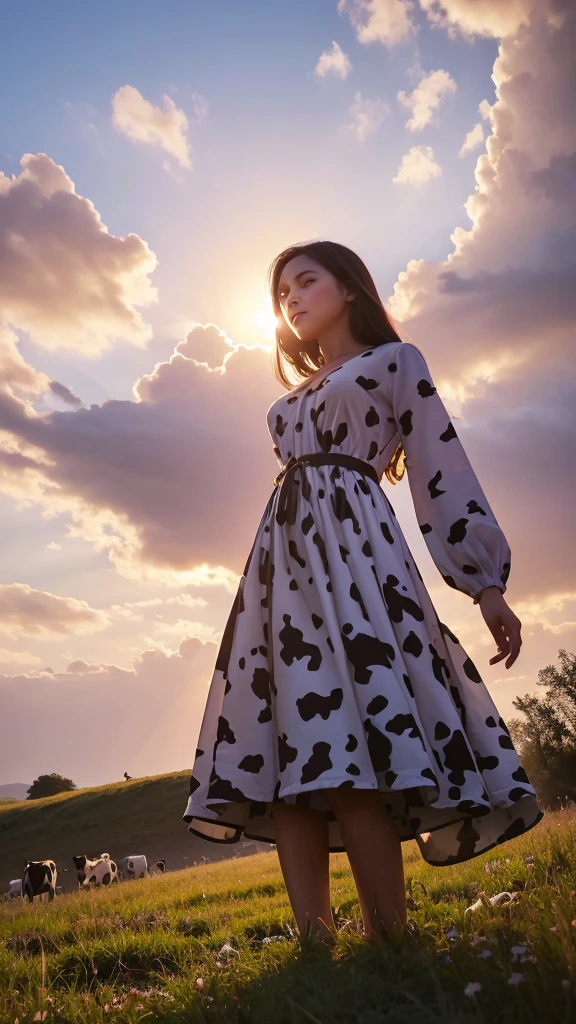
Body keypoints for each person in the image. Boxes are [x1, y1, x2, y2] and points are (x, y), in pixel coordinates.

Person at [183, 240, 543, 946]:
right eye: (280, 290)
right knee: (289, 759)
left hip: (360, 565)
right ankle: (314, 946)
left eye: (306, 280)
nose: (290, 297)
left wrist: (485, 585)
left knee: (358, 751)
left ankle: (391, 942)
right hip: (281, 574)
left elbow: (443, 466)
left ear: (349, 289)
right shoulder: (283, 404)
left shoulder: (395, 362)